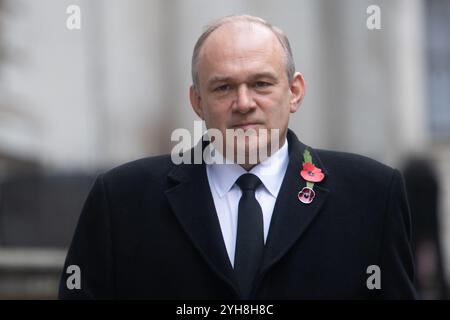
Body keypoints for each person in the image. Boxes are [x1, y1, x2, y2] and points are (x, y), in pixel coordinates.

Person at [59, 15, 417, 299]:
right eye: (223, 87)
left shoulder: (372, 195)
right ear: (197, 101)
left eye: (261, 83)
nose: (244, 103)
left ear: (294, 92)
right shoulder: (122, 199)